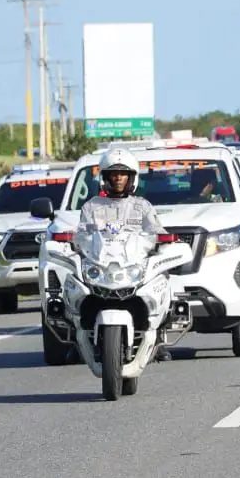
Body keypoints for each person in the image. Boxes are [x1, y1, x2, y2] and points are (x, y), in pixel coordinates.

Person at [75, 149, 174, 360]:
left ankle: (157, 339)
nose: (118, 178)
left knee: (162, 285)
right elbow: (82, 237)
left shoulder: (142, 206)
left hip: (134, 266)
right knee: (77, 294)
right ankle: (78, 339)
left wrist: (165, 241)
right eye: (113, 174)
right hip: (101, 266)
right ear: (105, 177)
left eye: (123, 174)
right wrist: (75, 244)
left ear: (132, 177)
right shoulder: (91, 206)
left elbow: (158, 233)